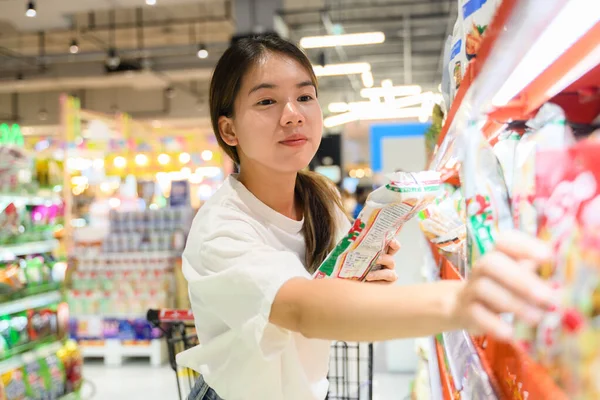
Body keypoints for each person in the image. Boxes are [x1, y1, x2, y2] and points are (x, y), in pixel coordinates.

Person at [176, 34, 556, 400]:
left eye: (305, 96)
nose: (292, 115)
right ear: (229, 129)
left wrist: (366, 279)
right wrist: (461, 302)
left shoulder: (319, 200)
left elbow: (330, 300)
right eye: (266, 102)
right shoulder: (220, 229)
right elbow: (301, 308)